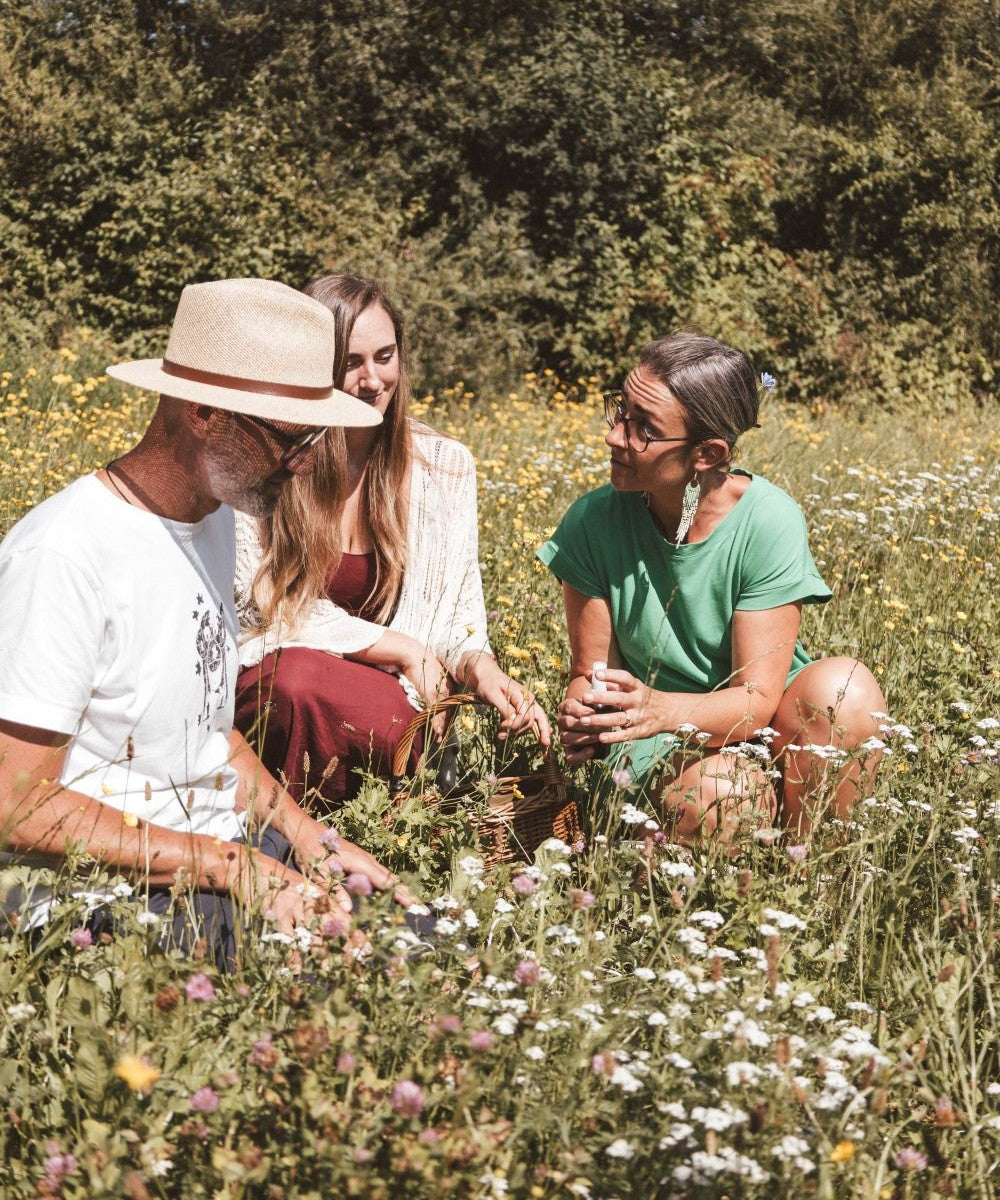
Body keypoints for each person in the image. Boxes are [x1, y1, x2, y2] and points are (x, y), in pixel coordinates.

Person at [0, 278, 413, 969]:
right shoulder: (64, 553)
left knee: (423, 939)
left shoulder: (216, 519)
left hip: (213, 852)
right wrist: (231, 869)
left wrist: (309, 838)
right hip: (99, 892)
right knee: (354, 978)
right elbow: (14, 801)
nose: (310, 459)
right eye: (292, 437)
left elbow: (208, 738)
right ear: (202, 413)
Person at [538, 331, 887, 842]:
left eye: (643, 428)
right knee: (714, 795)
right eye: (620, 412)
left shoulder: (767, 522)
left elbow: (758, 700)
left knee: (844, 691)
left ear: (707, 453)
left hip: (762, 730)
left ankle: (809, 872)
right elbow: (590, 673)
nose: (615, 436)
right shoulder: (592, 521)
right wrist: (584, 714)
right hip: (657, 743)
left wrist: (660, 707)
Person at [233, 272, 550, 808]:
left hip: (393, 704)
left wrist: (485, 671)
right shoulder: (268, 464)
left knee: (318, 686)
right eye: (351, 364)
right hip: (281, 684)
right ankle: (288, 835)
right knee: (296, 679)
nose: (373, 380)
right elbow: (253, 603)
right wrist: (402, 649)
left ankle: (373, 823)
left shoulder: (444, 466)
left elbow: (457, 618)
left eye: (385, 356)